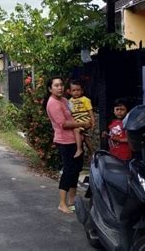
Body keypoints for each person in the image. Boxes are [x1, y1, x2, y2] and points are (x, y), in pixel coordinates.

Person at [44, 76, 90, 214]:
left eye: (61, 85)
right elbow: (63, 124)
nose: (60, 87)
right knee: (69, 171)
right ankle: (62, 203)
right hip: (65, 141)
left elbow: (75, 114)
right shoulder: (52, 104)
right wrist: (82, 124)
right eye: (56, 85)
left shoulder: (64, 100)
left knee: (76, 170)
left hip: (76, 138)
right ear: (50, 89)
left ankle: (72, 200)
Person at [68, 80, 95, 158]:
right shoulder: (69, 102)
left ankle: (79, 149)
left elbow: (90, 110)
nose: (76, 92)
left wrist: (93, 121)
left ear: (82, 91)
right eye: (74, 90)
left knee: (76, 130)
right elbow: (70, 113)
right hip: (77, 120)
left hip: (85, 119)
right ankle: (92, 152)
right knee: (85, 138)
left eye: (78, 90)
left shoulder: (85, 99)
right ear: (69, 91)